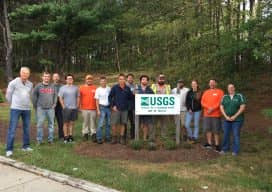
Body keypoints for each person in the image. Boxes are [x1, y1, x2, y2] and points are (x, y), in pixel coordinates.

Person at [5, 67, 33, 157]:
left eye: (27, 73)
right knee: (12, 129)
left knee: (27, 128)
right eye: (23, 73)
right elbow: (8, 95)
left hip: (27, 109)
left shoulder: (30, 84)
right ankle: (9, 149)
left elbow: (29, 95)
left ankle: (26, 146)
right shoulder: (14, 82)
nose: (25, 74)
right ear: (20, 73)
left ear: (29, 74)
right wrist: (12, 104)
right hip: (15, 109)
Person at [220, 84, 246, 156]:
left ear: (234, 88)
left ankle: (235, 151)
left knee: (235, 134)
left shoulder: (239, 96)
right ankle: (225, 149)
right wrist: (226, 116)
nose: (230, 89)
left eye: (232, 87)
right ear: (227, 89)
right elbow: (221, 107)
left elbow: (242, 107)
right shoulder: (224, 97)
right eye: (229, 88)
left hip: (237, 120)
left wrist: (235, 116)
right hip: (226, 119)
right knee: (226, 134)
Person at [32, 72, 58, 145]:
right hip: (41, 108)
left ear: (50, 78)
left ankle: (50, 140)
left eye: (48, 76)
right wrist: (35, 106)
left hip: (50, 109)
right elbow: (34, 96)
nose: (46, 78)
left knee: (51, 124)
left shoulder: (53, 86)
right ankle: (39, 140)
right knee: (40, 125)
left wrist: (54, 104)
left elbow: (55, 96)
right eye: (45, 76)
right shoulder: (38, 86)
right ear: (42, 77)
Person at [109, 73, 133, 145]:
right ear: (118, 80)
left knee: (123, 123)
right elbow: (110, 97)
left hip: (124, 109)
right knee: (114, 124)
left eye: (123, 79)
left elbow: (130, 98)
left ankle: (122, 138)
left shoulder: (127, 88)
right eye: (120, 79)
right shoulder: (115, 87)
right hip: (116, 109)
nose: (121, 80)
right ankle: (114, 137)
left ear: (125, 80)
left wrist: (128, 105)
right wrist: (113, 106)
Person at [201, 79, 224, 152]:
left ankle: (217, 145)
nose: (212, 84)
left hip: (216, 114)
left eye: (213, 82)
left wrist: (213, 108)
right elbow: (202, 102)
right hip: (207, 114)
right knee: (208, 129)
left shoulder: (220, 92)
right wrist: (208, 108)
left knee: (216, 130)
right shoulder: (206, 92)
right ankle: (209, 143)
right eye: (210, 83)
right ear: (209, 84)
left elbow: (221, 102)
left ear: (216, 83)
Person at [58, 74, 79, 143]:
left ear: (73, 80)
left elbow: (78, 97)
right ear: (66, 80)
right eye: (68, 79)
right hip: (66, 108)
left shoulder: (76, 88)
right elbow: (60, 98)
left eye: (71, 78)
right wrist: (63, 106)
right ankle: (65, 137)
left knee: (71, 123)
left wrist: (77, 105)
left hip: (74, 108)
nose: (70, 80)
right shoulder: (62, 88)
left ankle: (70, 136)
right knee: (65, 123)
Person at [151, 73, 171, 137]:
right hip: (154, 108)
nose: (161, 80)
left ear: (164, 79)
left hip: (164, 108)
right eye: (160, 78)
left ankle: (164, 136)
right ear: (157, 79)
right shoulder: (153, 86)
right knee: (153, 123)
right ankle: (152, 136)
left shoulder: (168, 87)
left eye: (163, 78)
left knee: (164, 123)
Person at [136, 75, 154, 141]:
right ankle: (138, 137)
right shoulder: (136, 88)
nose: (144, 81)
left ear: (147, 81)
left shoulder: (150, 89)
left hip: (147, 110)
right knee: (139, 124)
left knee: (146, 124)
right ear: (140, 80)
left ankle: (144, 138)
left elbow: (153, 98)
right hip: (138, 110)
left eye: (146, 80)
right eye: (143, 79)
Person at [79, 75, 97, 142]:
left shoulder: (95, 88)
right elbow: (79, 98)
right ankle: (85, 134)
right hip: (84, 108)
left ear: (92, 80)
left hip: (93, 108)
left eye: (90, 79)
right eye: (88, 79)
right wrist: (79, 107)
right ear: (85, 80)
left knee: (93, 122)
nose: (89, 80)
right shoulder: (81, 88)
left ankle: (93, 134)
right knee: (85, 122)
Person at [95, 76, 111, 144]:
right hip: (102, 108)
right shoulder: (98, 89)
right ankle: (99, 138)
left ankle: (107, 137)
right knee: (100, 124)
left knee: (108, 123)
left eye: (104, 81)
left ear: (106, 81)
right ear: (100, 82)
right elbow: (97, 100)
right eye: (102, 81)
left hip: (108, 108)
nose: (103, 82)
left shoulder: (109, 88)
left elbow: (111, 97)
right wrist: (98, 110)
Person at [52, 73, 64, 139]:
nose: (56, 78)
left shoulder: (62, 86)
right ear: (52, 78)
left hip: (60, 105)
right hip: (52, 105)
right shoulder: (50, 86)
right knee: (51, 121)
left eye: (57, 77)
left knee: (60, 121)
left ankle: (61, 136)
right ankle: (51, 136)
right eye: (55, 77)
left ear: (59, 78)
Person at [126, 73, 136, 139]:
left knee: (133, 122)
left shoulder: (135, 86)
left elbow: (136, 94)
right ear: (127, 79)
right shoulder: (124, 85)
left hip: (133, 106)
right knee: (124, 122)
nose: (130, 79)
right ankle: (124, 135)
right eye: (129, 78)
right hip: (125, 106)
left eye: (131, 78)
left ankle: (132, 136)